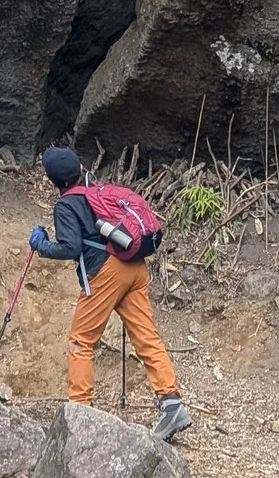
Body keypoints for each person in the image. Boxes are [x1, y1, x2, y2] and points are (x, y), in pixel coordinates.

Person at [29, 145, 192, 441]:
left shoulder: (66, 204)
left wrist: (41, 246)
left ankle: (79, 414)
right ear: (80, 169)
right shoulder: (98, 190)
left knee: (81, 341)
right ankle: (171, 404)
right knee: (147, 336)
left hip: (107, 273)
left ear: (54, 181)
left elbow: (70, 248)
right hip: (135, 266)